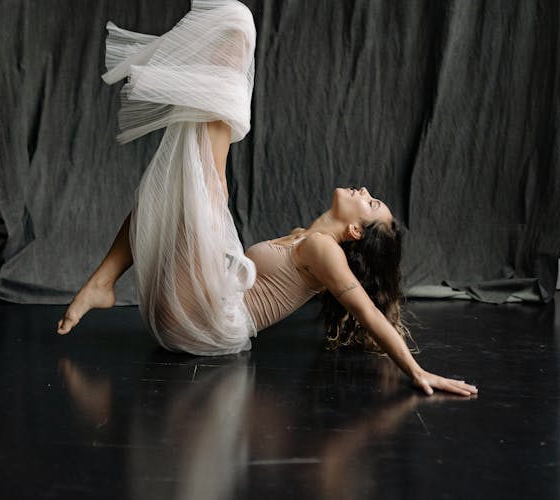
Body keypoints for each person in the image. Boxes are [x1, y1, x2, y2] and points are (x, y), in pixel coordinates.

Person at [57, 0, 478, 397]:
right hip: (191, 313)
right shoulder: (303, 239)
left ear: (354, 231)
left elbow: (369, 313)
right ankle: (103, 282)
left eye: (370, 204)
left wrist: (417, 371)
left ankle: (104, 282)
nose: (364, 191)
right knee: (170, 192)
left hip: (205, 323)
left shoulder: (322, 248)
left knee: (233, 44)